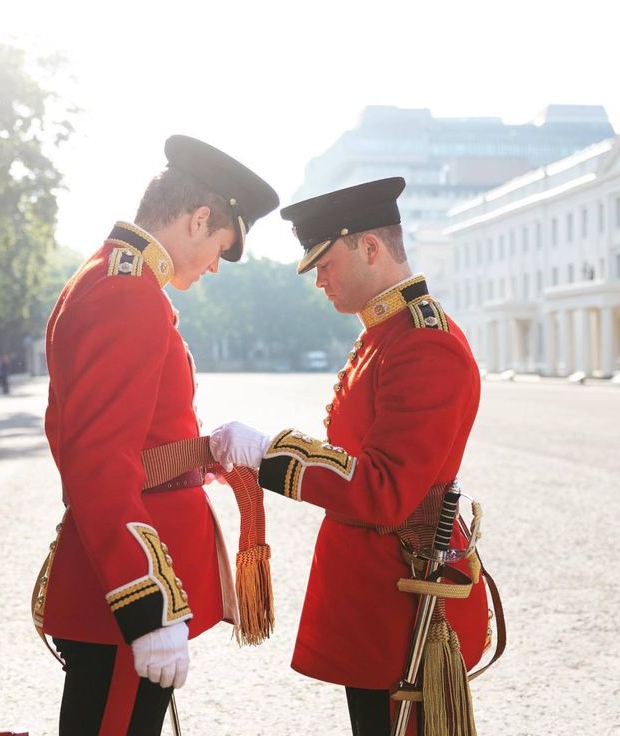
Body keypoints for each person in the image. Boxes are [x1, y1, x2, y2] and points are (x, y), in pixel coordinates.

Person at [209, 178, 489, 736]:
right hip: (375, 595)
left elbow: (382, 490)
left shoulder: (424, 343)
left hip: (406, 598)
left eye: (325, 263)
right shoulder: (384, 335)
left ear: (369, 247)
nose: (320, 281)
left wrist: (272, 454)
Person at [33, 135, 278, 736]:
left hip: (123, 584)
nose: (215, 265)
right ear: (199, 219)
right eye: (221, 246)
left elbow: (134, 442)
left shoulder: (124, 281)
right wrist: (144, 607)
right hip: (124, 596)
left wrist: (205, 449)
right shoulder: (127, 293)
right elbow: (99, 462)